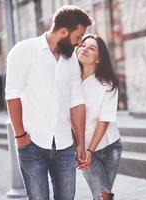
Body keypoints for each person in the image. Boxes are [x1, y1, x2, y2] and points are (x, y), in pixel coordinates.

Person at [5, 5, 93, 200]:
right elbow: (12, 95)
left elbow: (77, 102)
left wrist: (80, 143)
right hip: (32, 143)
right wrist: (20, 136)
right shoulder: (24, 51)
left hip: (65, 145)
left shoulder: (70, 61)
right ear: (63, 32)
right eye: (78, 37)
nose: (80, 43)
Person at [76, 35, 122, 200]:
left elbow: (104, 121)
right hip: (84, 149)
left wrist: (90, 150)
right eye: (83, 45)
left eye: (92, 48)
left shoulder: (108, 84)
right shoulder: (69, 81)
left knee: (104, 195)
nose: (85, 48)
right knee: (102, 195)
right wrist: (81, 149)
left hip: (110, 146)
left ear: (98, 59)